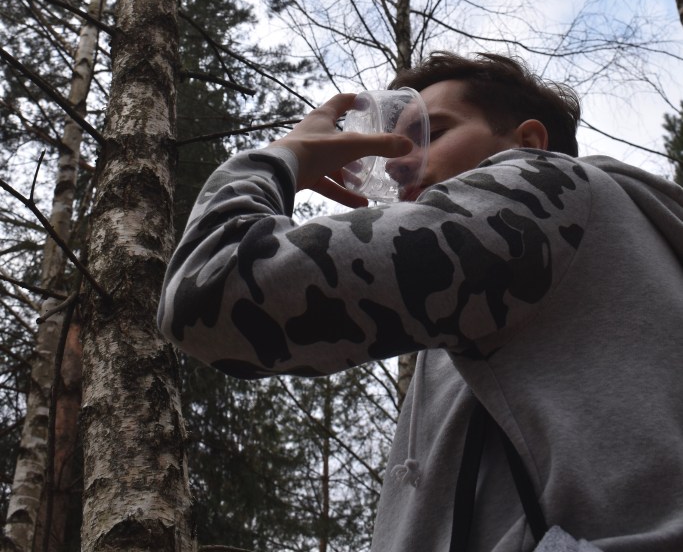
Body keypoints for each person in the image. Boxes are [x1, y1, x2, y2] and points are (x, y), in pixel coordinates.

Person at [157, 52, 683, 551]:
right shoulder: (540, 285)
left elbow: (213, 285)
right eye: (393, 143)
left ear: (530, 143)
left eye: (434, 132)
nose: (398, 164)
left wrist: (284, 157)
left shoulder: (544, 192)